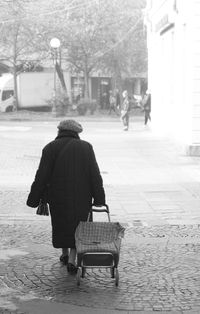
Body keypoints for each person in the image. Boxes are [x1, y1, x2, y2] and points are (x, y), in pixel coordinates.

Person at [26, 120, 106, 274]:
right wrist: (99, 199)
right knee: (79, 227)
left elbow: (42, 175)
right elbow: (94, 174)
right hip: (82, 196)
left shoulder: (50, 148)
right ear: (77, 133)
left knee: (62, 224)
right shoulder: (86, 147)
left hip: (57, 196)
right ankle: (72, 260)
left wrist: (34, 199)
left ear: (59, 131)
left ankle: (64, 254)